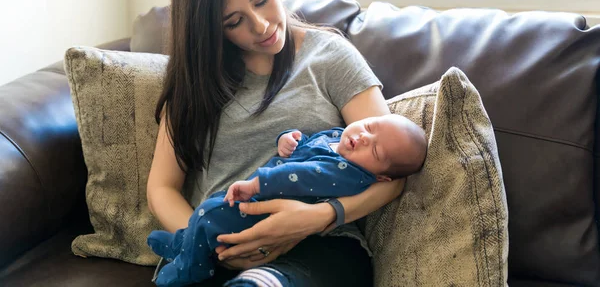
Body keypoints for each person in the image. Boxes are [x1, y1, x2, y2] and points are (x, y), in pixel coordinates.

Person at [146, 0, 417, 287]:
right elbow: (162, 187)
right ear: (210, 28)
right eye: (234, 21)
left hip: (318, 247)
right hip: (216, 248)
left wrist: (321, 215)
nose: (261, 25)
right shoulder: (195, 81)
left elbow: (391, 175)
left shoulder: (330, 57)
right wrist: (212, 239)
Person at [148, 115, 427, 286]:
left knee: (209, 213)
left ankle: (192, 266)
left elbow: (299, 175)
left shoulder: (349, 172)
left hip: (275, 211)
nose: (364, 137)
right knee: (207, 214)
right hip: (252, 205)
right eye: (369, 126)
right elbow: (306, 144)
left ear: (381, 176)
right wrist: (288, 138)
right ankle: (186, 244)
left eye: (375, 150)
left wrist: (258, 184)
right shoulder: (337, 138)